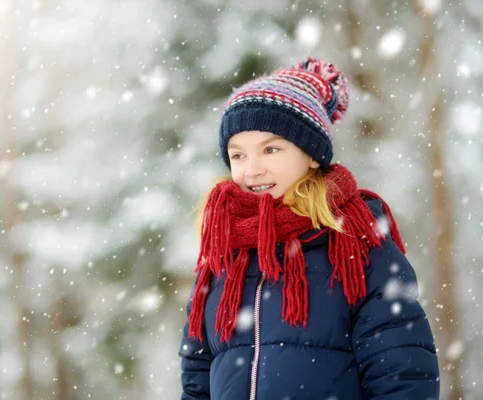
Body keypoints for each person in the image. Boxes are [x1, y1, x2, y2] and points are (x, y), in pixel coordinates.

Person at [179, 57, 440, 399]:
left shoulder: (356, 246)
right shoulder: (224, 252)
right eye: (238, 155)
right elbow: (198, 378)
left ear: (312, 155)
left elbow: (402, 374)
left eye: (270, 149)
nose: (252, 169)